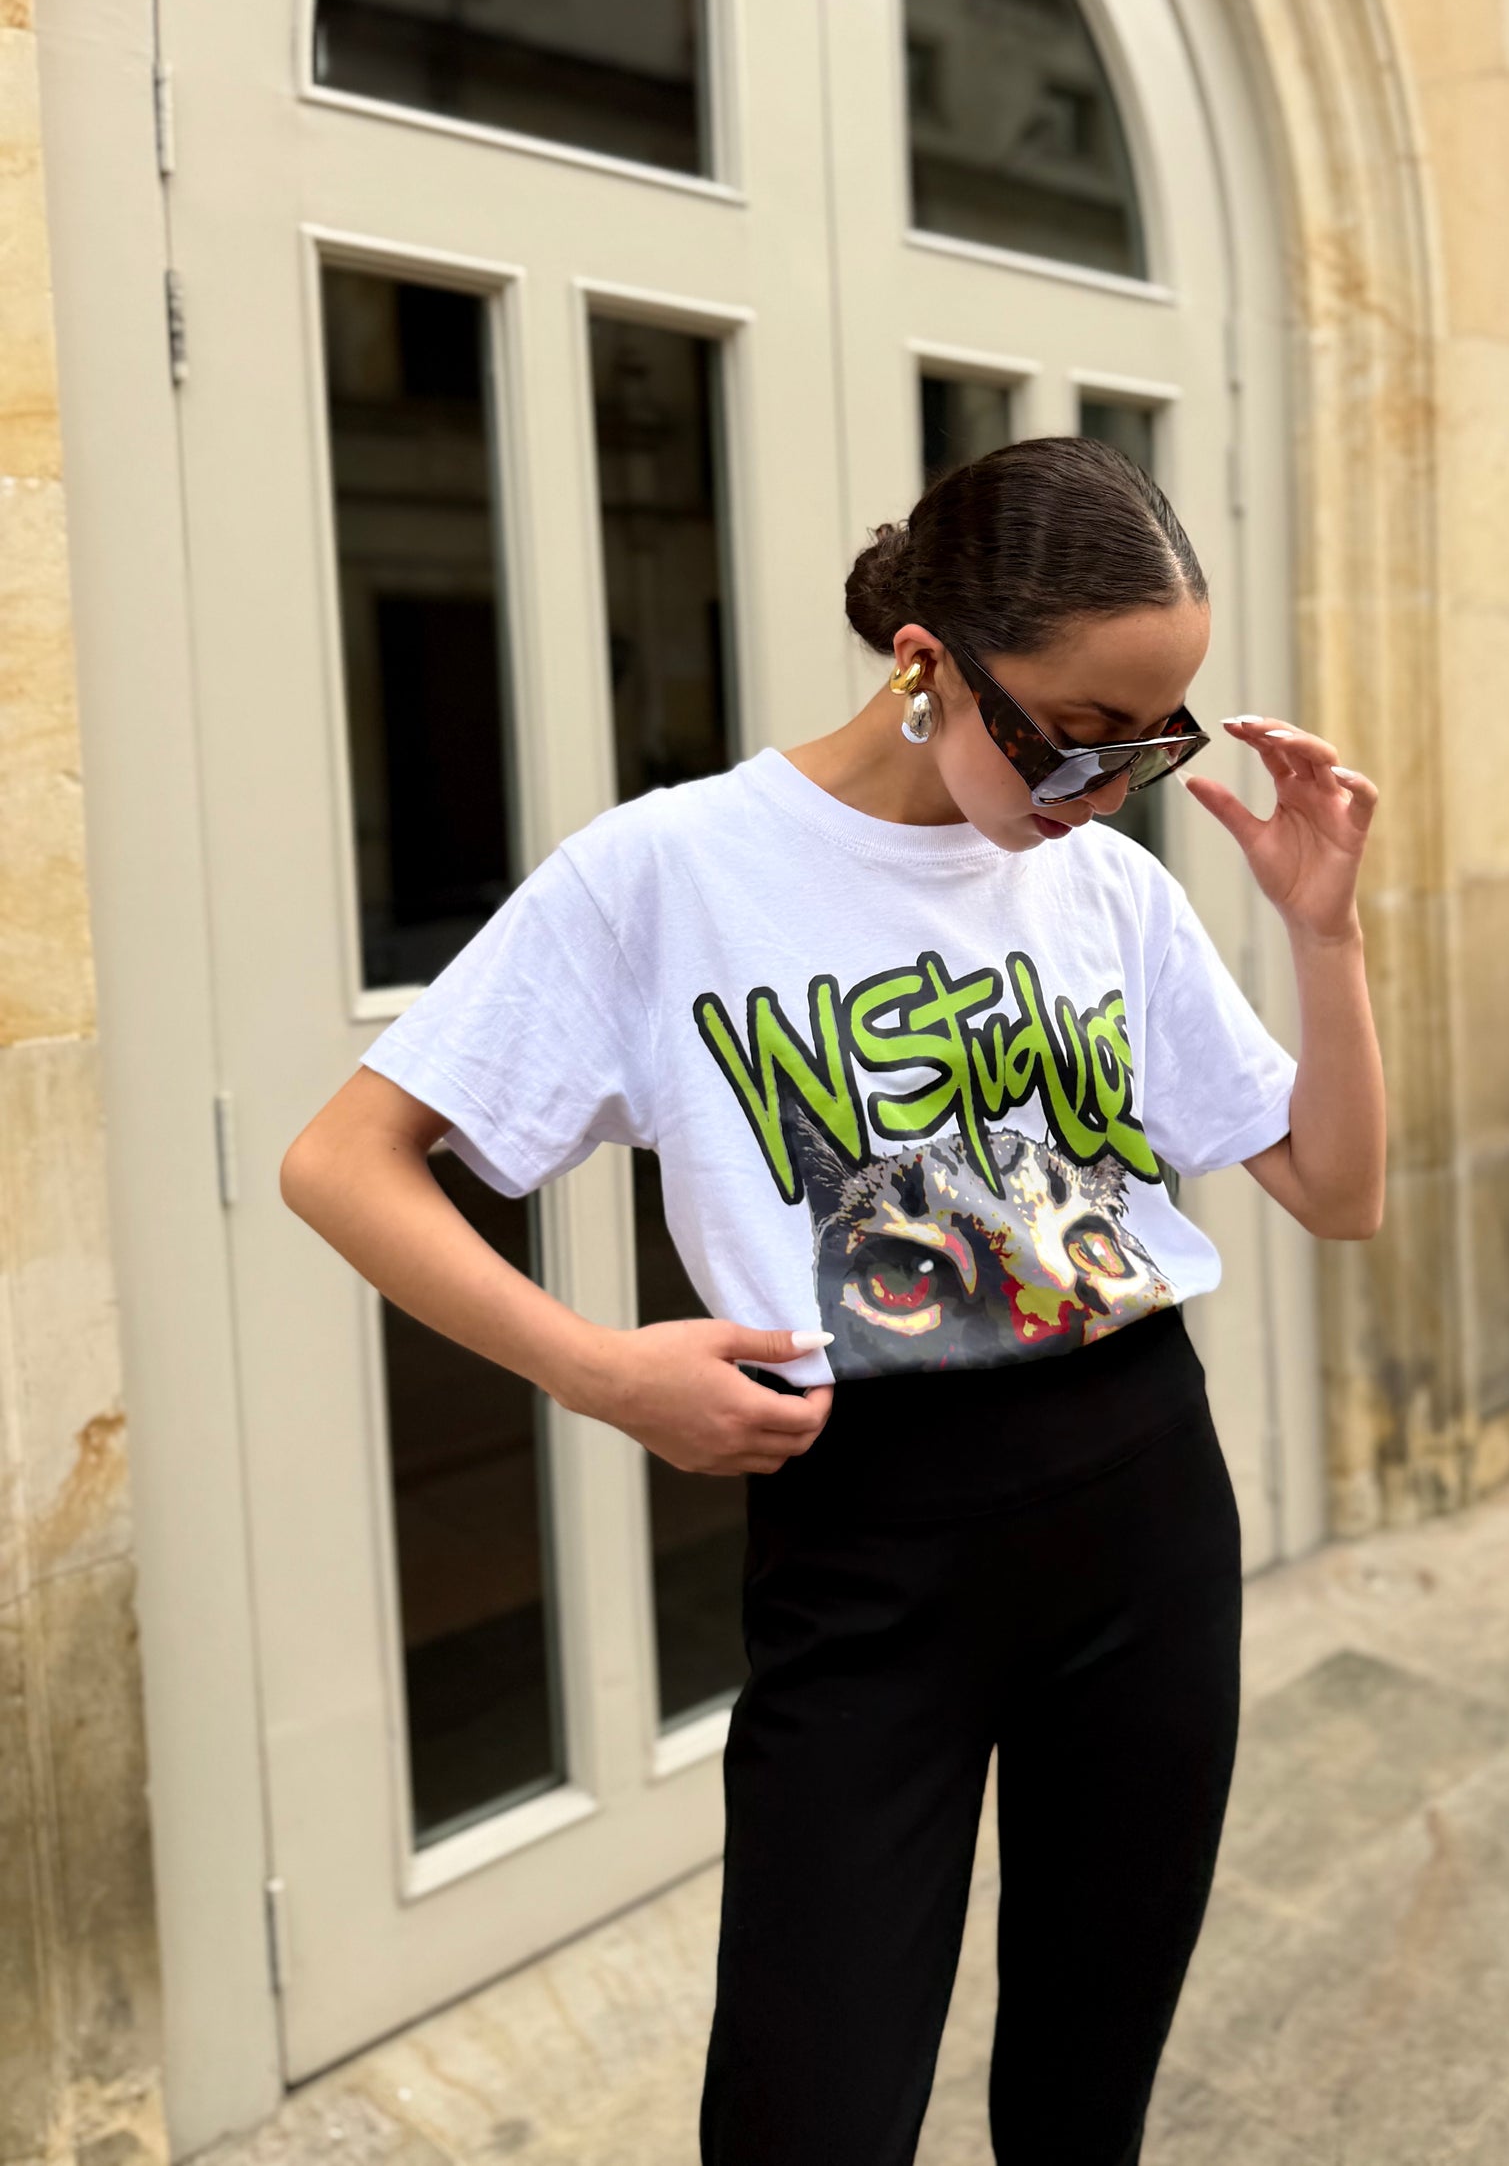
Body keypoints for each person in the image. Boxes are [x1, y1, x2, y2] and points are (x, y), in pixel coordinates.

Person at [280, 432, 1385, 2166]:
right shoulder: (671, 871)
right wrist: (597, 1371)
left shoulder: (1105, 884)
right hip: (869, 1530)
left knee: (1084, 2093)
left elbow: (1336, 1189)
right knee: (806, 2111)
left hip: (1143, 1500)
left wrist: (1325, 934)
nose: (1101, 790)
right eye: (1071, 735)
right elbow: (342, 1161)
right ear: (925, 663)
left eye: (1145, 744)